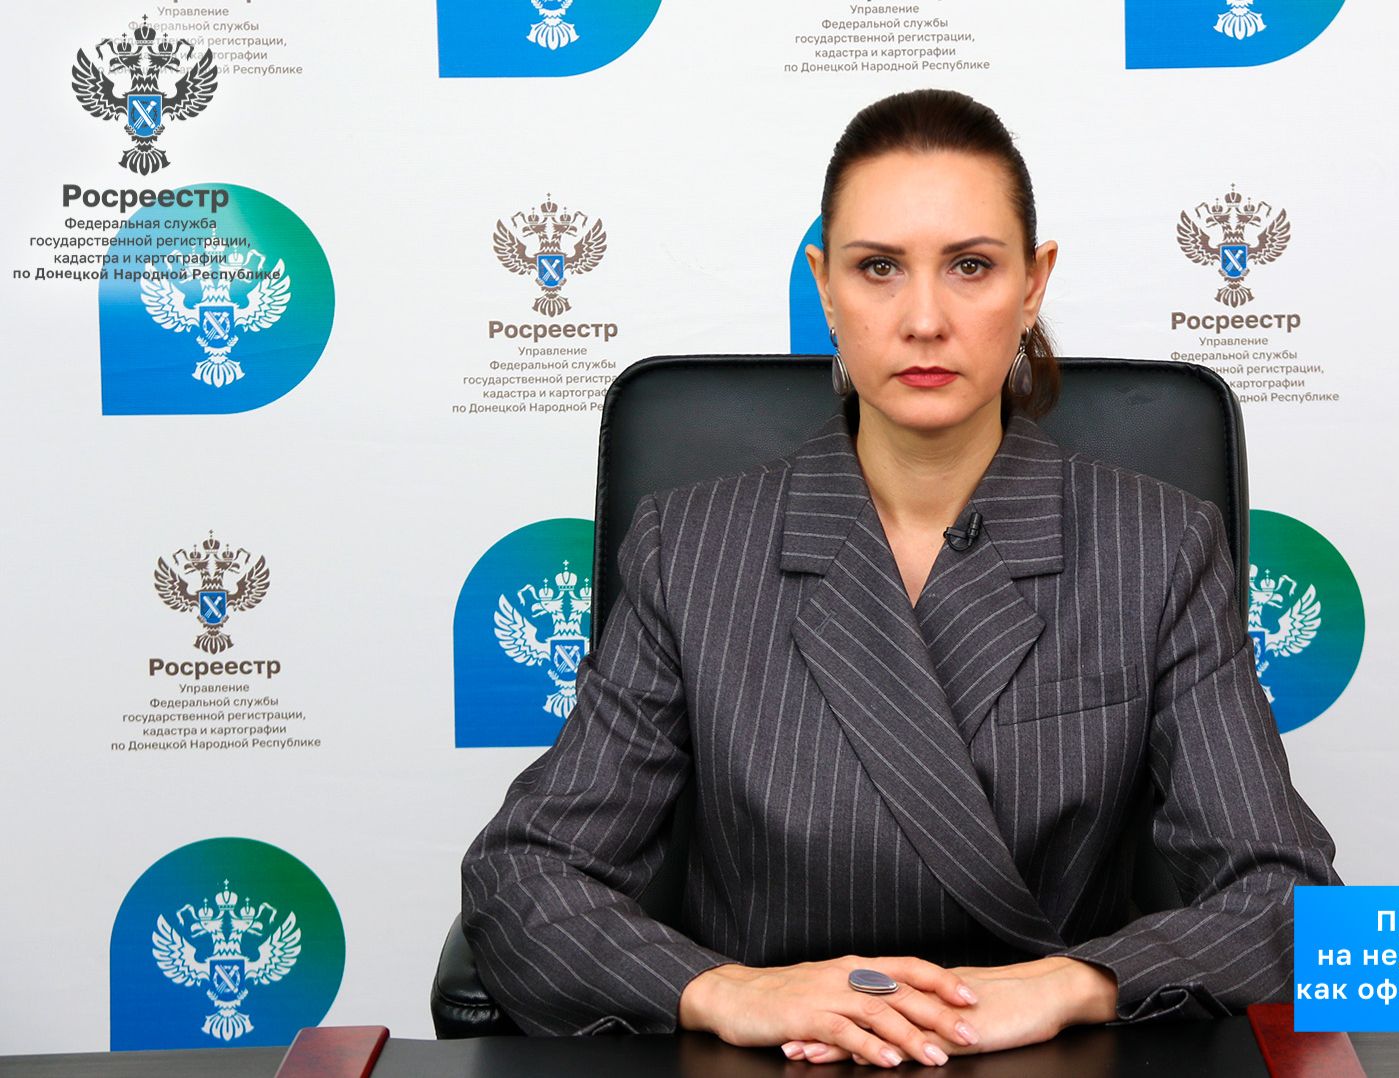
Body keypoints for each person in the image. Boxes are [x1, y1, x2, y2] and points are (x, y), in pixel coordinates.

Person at [459, 88, 1341, 1068]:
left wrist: (1076, 983)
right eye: (878, 268)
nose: (925, 319)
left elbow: (1287, 900)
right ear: (825, 287)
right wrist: (723, 992)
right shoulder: (693, 546)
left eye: (971, 266)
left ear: (1034, 284)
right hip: (773, 1060)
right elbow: (523, 879)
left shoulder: (1157, 546)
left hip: (1044, 1056)